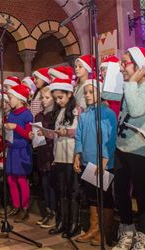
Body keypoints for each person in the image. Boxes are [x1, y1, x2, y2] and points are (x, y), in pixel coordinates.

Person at [113, 47, 145, 250]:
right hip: (121, 147)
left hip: (141, 151)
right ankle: (127, 230)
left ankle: (143, 236)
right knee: (121, 193)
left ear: (141, 66)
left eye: (125, 62)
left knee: (142, 195)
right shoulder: (129, 85)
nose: (121, 66)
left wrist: (132, 82)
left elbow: (136, 110)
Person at [74, 79, 117, 246]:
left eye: (91, 92)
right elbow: (79, 136)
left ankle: (104, 230)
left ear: (101, 93)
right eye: (85, 92)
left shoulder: (108, 113)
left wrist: (104, 159)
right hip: (88, 161)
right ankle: (94, 228)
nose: (87, 95)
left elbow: (111, 139)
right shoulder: (85, 115)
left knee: (104, 197)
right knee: (92, 196)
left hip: (103, 163)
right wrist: (77, 155)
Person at [47, 78, 82, 238]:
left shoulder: (76, 110)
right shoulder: (59, 111)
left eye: (60, 97)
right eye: (55, 98)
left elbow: (80, 132)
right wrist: (46, 133)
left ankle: (74, 224)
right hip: (60, 156)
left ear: (69, 94)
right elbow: (56, 135)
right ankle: (62, 222)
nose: (58, 100)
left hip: (72, 156)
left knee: (72, 192)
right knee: (61, 191)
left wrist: (66, 132)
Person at [4, 84, 33, 223]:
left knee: (21, 180)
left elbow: (29, 135)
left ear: (20, 99)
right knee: (11, 179)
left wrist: (16, 127)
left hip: (22, 151)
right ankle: (16, 206)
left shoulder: (27, 114)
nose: (9, 100)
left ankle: (25, 208)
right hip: (11, 149)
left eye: (11, 97)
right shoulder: (10, 114)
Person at [34, 86, 56, 228]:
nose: (44, 100)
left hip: (52, 153)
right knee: (44, 184)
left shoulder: (55, 115)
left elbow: (56, 134)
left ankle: (54, 213)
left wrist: (46, 134)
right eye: (42, 97)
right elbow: (36, 133)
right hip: (42, 153)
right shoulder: (39, 116)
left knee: (51, 185)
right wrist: (33, 135)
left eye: (47, 97)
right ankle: (48, 211)